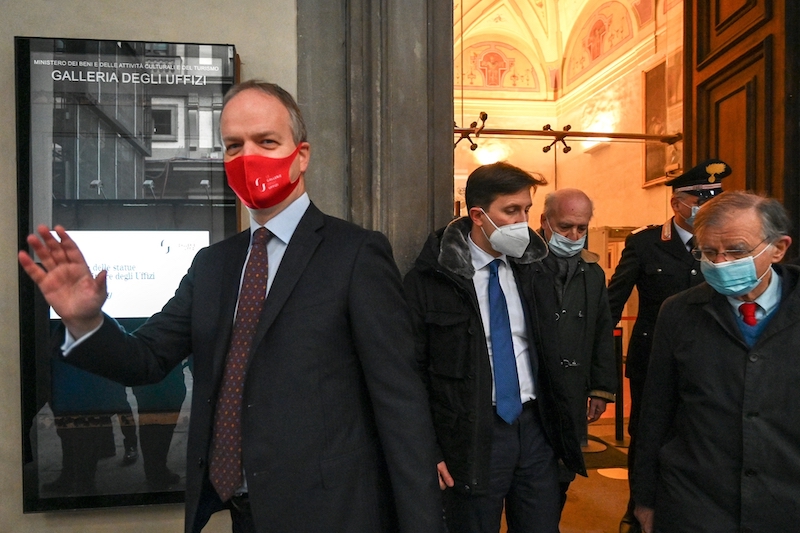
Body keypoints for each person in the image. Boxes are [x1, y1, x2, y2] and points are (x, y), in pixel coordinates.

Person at [18, 80, 441, 533]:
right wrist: (85, 321)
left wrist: (420, 520)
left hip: (331, 510)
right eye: (233, 145)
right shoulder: (213, 265)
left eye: (267, 141)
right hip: (243, 510)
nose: (248, 157)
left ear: (301, 155)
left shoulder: (355, 254)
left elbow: (399, 397)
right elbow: (147, 358)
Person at [404, 162, 585, 533]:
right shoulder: (433, 278)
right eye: (511, 210)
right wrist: (429, 449)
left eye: (527, 210)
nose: (523, 221)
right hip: (471, 433)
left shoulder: (536, 269)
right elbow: (411, 371)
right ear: (478, 215)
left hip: (535, 428)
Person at [631, 190, 800, 532]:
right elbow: (656, 411)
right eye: (709, 252)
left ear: (778, 248)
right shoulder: (679, 312)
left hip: (786, 501)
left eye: (736, 251)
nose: (721, 263)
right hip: (697, 502)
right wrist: (644, 499)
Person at [607, 159, 730, 533]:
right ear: (678, 204)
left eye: (714, 199)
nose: (706, 207)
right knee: (647, 432)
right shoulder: (646, 243)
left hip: (712, 359)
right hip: (653, 358)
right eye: (699, 199)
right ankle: (638, 505)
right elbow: (614, 300)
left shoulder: (723, 244)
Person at [537, 189, 617, 510]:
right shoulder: (521, 265)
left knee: (560, 478)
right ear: (544, 222)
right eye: (565, 226)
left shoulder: (592, 273)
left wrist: (601, 388)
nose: (573, 236)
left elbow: (601, 331)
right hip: (534, 394)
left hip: (572, 392)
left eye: (581, 228)